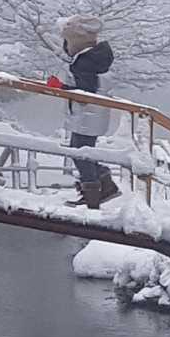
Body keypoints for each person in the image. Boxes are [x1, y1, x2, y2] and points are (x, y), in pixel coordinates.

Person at [58, 16, 117, 207]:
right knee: (81, 151)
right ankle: (104, 185)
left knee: (80, 153)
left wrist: (60, 87)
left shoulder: (85, 62)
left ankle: (93, 197)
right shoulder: (97, 56)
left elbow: (86, 92)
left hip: (88, 115)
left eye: (67, 41)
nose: (65, 46)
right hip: (94, 114)